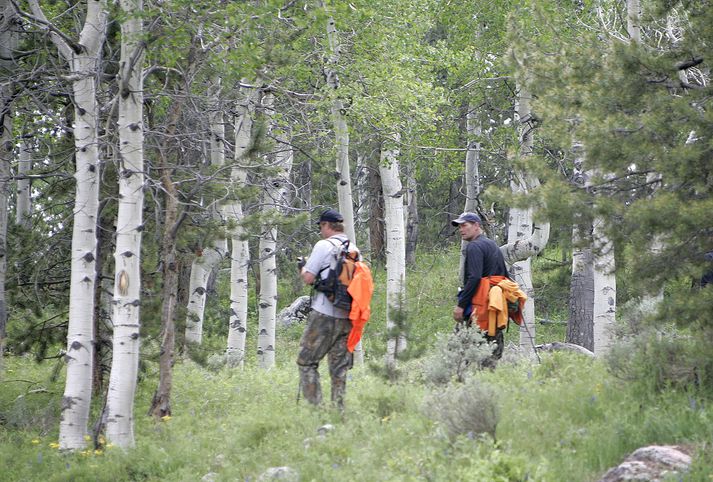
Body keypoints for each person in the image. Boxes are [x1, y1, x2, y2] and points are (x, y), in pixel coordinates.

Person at [298, 208, 358, 410]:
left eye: (321, 226)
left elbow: (308, 278)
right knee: (339, 368)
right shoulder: (354, 250)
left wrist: (303, 267)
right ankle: (338, 410)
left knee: (306, 362)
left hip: (324, 313)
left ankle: (316, 409)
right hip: (347, 316)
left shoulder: (323, 245)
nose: (320, 230)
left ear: (326, 225)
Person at [451, 212, 512, 365]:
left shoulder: (474, 247)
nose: (461, 229)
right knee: (491, 350)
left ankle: (460, 378)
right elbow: (505, 275)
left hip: (479, 307)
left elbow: (474, 278)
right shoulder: (491, 244)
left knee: (459, 349)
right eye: (459, 226)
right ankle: (489, 378)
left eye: (464, 225)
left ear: (477, 226)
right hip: (495, 307)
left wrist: (461, 305)